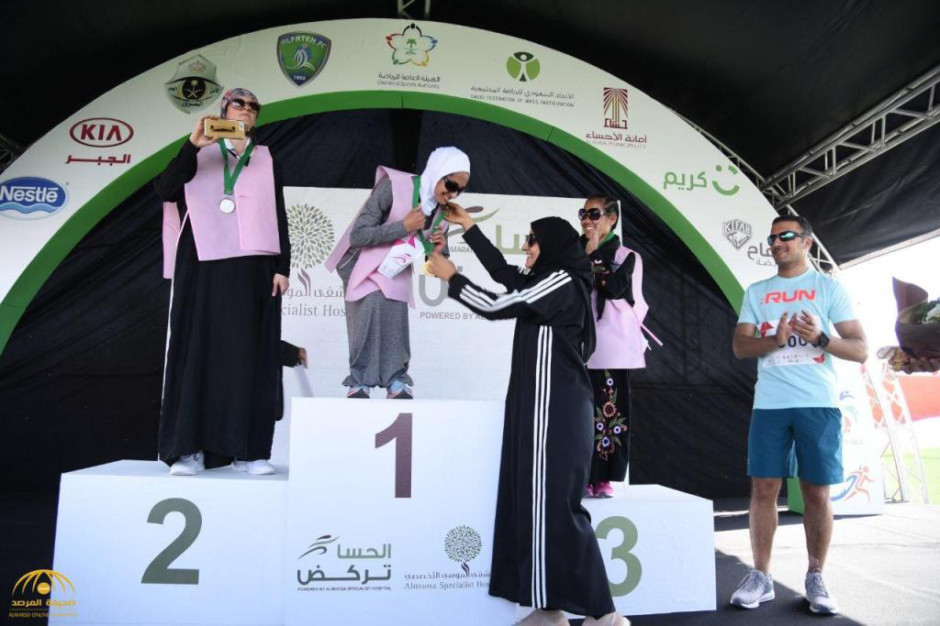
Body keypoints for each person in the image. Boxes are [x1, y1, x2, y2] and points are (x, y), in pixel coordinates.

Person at [427, 207, 628, 626]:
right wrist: (469, 228)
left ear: (552, 245)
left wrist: (452, 277)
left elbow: (499, 304)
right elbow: (505, 274)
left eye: (532, 240)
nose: (525, 247)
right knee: (535, 506)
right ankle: (550, 611)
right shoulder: (549, 282)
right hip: (541, 409)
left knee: (558, 510)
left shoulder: (561, 280)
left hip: (553, 412)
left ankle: (605, 615)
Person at [730, 215, 867, 615]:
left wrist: (820, 338)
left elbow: (860, 348)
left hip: (818, 403)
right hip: (769, 404)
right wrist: (773, 340)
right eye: (772, 237)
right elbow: (740, 347)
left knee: (816, 492)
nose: (776, 243)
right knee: (763, 489)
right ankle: (761, 576)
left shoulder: (828, 288)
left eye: (785, 236)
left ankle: (816, 575)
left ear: (806, 242)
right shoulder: (757, 291)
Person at [156, 88, 290, 477]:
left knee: (249, 352)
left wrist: (283, 265)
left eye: (253, 107)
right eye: (238, 104)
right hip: (203, 260)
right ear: (223, 110)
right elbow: (165, 190)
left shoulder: (265, 157)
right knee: (198, 347)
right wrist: (192, 145)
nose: (246, 110)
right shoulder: (199, 150)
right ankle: (189, 450)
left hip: (253, 263)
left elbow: (278, 211)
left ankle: (249, 451)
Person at [325, 147, 469, 399]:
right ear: (437, 171)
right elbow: (358, 235)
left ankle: (396, 381)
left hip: (396, 270)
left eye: (460, 189)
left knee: (396, 325)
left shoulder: (444, 214)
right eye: (450, 184)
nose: (453, 193)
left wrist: (438, 251)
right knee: (368, 313)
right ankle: (360, 382)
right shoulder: (394, 187)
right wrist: (403, 226)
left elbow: (434, 267)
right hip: (363, 265)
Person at [578, 195, 657, 498]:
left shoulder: (627, 256)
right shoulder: (572, 251)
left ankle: (603, 477)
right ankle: (578, 474)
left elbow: (613, 288)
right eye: (583, 213)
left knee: (609, 410)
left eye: (594, 213)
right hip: (575, 340)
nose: (587, 219)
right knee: (577, 411)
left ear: (612, 219)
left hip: (610, 343)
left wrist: (594, 254)